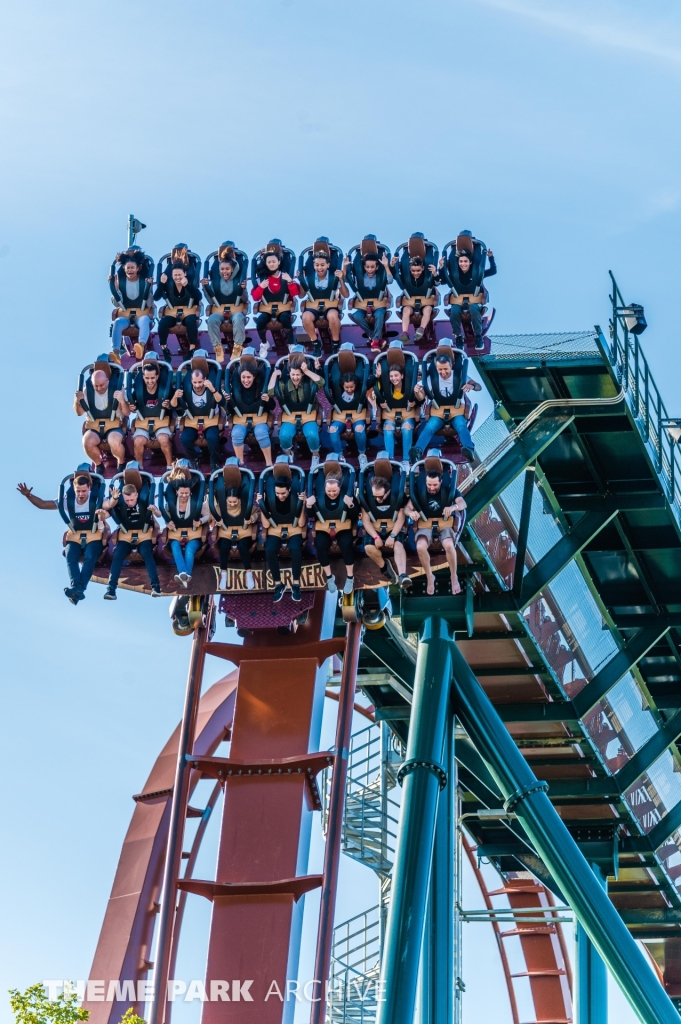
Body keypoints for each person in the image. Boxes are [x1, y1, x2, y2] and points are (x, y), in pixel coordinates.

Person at [17, 467, 108, 604]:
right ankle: (78, 589)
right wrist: (28, 495)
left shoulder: (97, 498)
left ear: (89, 488)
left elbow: (111, 505)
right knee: (70, 554)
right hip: (76, 535)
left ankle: (77, 589)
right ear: (74, 488)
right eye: (78, 491)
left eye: (84, 491)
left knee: (90, 557)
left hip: (94, 534)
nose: (81, 494)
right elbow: (43, 504)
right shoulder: (67, 500)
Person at [405, 458, 466, 595]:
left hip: (444, 523)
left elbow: (463, 503)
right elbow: (406, 508)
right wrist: (411, 513)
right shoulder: (420, 490)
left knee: (449, 545)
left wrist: (453, 507)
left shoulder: (448, 488)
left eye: (435, 485)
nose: (432, 488)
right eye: (429, 485)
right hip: (426, 523)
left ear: (440, 482)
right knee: (420, 546)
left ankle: (453, 575)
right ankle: (429, 576)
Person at [412, 349, 481, 462]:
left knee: (461, 425)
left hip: (457, 410)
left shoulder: (460, 376)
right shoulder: (431, 379)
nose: (443, 373)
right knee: (429, 427)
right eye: (440, 370)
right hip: (438, 411)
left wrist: (471, 386)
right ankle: (417, 451)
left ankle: (469, 449)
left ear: (451, 366)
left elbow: (478, 387)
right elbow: (421, 397)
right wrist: (417, 391)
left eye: (446, 369)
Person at [100, 474, 162, 599]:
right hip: (125, 534)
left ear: (136, 495)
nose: (129, 503)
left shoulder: (144, 500)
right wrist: (105, 509)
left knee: (146, 552)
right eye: (127, 500)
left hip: (144, 533)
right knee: (118, 554)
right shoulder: (119, 502)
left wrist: (154, 511)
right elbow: (106, 509)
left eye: (132, 500)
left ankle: (156, 587)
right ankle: (111, 589)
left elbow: (159, 514)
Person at [306, 463, 359, 594]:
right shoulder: (319, 498)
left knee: (346, 544)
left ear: (340, 488)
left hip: (343, 525)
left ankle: (350, 577)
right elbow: (311, 515)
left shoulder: (347, 496)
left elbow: (355, 515)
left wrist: (351, 504)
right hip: (324, 526)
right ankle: (329, 577)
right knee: (320, 545)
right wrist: (308, 506)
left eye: (334, 491)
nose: (331, 493)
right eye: (328, 491)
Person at [258, 461, 306, 603]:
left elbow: (302, 523)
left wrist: (301, 504)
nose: (280, 496)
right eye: (277, 493)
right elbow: (266, 524)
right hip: (275, 527)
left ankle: (296, 584)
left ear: (289, 490)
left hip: (294, 526)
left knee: (295, 548)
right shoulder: (271, 496)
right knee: (269, 549)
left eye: (283, 493)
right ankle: (279, 584)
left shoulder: (296, 494)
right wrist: (262, 505)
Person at [170, 354, 225, 472]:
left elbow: (222, 402)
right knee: (184, 439)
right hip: (192, 419)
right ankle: (195, 459)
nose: (197, 385)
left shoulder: (211, 386)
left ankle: (214, 461)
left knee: (212, 437)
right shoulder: (187, 388)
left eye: (200, 382)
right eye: (195, 382)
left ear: (204, 380)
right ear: (191, 381)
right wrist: (175, 397)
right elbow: (172, 406)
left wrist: (213, 390)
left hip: (210, 419)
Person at [441, 237, 496, 350]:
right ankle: (458, 336)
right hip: (458, 300)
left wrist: (490, 258)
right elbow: (442, 280)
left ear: (470, 262)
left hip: (474, 301)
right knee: (455, 311)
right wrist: (441, 267)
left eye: (465, 261)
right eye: (461, 261)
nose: (463, 264)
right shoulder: (454, 275)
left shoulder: (477, 273)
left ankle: (478, 336)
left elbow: (493, 271)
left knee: (473, 309)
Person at [268, 351, 322, 467]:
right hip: (290, 414)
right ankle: (289, 454)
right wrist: (274, 375)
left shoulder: (308, 380)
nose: (295, 377)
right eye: (292, 375)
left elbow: (321, 382)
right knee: (283, 435)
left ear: (302, 375)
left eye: (298, 375)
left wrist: (307, 371)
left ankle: (315, 455)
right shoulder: (285, 384)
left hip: (309, 414)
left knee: (312, 434)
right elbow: (271, 392)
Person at [360, 463, 409, 589]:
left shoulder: (397, 496)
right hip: (375, 528)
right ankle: (384, 567)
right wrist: (376, 537)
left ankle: (403, 575)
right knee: (368, 548)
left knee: (398, 545)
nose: (377, 499)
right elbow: (365, 520)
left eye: (380, 496)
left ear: (387, 492)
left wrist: (392, 536)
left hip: (393, 527)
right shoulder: (368, 498)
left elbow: (401, 517)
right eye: (375, 496)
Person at [210, 463, 257, 591]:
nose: (232, 504)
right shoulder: (221, 507)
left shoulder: (245, 506)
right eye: (229, 502)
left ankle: (248, 573)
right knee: (224, 547)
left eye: (234, 502)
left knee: (242, 547)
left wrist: (251, 519)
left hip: (243, 531)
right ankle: (223, 574)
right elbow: (213, 516)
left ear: (239, 500)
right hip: (226, 532)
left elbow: (256, 512)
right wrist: (216, 521)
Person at [74, 361, 129, 472]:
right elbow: (79, 412)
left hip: (114, 423)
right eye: (96, 386)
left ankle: (121, 462)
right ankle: (99, 464)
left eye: (101, 385)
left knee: (113, 440)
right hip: (94, 425)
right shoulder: (87, 390)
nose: (99, 388)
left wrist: (122, 400)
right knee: (86, 441)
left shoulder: (117, 387)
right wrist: (77, 400)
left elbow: (127, 412)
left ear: (107, 381)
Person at [224, 354, 275, 466]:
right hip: (241, 417)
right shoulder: (236, 388)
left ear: (254, 377)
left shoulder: (261, 386)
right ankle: (241, 464)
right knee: (236, 434)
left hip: (260, 417)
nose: (246, 380)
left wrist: (267, 400)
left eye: (248, 377)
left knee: (261, 432)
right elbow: (230, 411)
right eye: (243, 377)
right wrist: (228, 402)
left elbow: (272, 406)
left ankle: (269, 464)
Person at [251, 244, 300, 357]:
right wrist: (261, 287)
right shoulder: (263, 278)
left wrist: (290, 282)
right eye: (269, 262)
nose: (271, 264)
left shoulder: (284, 276)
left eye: (274, 261)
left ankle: (291, 343)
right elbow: (255, 297)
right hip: (267, 306)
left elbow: (294, 293)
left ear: (279, 262)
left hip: (283, 306)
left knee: (284, 319)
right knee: (260, 322)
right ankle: (264, 343)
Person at [299, 246, 348, 356]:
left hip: (330, 303)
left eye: (322, 265)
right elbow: (301, 295)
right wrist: (301, 280)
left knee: (332, 316)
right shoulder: (309, 277)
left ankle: (335, 343)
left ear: (328, 265)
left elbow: (346, 294)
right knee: (305, 317)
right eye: (317, 265)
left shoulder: (333, 276)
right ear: (313, 266)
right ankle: (315, 342)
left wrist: (341, 279)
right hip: (313, 304)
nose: (319, 268)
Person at [127, 357, 175, 469]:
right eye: (147, 378)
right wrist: (132, 407)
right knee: (138, 440)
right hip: (144, 422)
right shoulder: (139, 390)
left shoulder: (165, 389)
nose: (150, 381)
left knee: (163, 438)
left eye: (153, 378)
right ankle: (139, 468)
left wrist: (170, 405)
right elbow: (131, 407)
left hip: (162, 421)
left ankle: (169, 466)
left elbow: (176, 405)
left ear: (157, 376)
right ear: (143, 377)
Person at [374, 348, 418, 468]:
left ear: (402, 376)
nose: (394, 378)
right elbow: (377, 391)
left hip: (407, 413)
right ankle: (391, 459)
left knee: (406, 427)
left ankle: (406, 460)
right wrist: (378, 377)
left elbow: (419, 398)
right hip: (390, 413)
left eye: (396, 376)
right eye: (391, 376)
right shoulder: (387, 386)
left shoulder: (409, 385)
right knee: (387, 428)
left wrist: (414, 403)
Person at [202, 250, 248, 364]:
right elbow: (210, 300)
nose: (224, 272)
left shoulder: (238, 279)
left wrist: (243, 289)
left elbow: (245, 299)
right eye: (222, 269)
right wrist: (205, 288)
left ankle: (237, 347)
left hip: (236, 307)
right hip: (219, 308)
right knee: (212, 320)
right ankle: (218, 348)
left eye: (227, 269)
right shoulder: (216, 281)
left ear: (232, 269)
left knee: (237, 319)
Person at [109, 249, 155, 362]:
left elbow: (149, 303)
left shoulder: (143, 281)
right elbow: (117, 302)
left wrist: (149, 288)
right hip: (126, 314)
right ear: (124, 269)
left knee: (144, 320)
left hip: (142, 312)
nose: (130, 270)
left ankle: (141, 345)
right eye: (128, 268)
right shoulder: (122, 283)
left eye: (132, 268)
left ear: (138, 268)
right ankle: (116, 352)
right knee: (118, 322)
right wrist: (114, 288)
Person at [163, 479, 210, 586]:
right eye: (182, 493)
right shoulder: (171, 505)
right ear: (177, 493)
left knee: (189, 550)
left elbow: (208, 515)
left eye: (186, 493)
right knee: (175, 547)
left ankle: (184, 575)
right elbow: (166, 518)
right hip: (177, 535)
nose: (184, 495)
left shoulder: (197, 504)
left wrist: (200, 521)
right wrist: (168, 523)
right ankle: (185, 575)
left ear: (190, 493)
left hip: (194, 535)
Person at [347, 249, 393, 350]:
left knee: (379, 314)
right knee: (356, 316)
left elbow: (390, 280)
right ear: (364, 267)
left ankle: (375, 341)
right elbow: (347, 279)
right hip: (362, 304)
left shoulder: (380, 276)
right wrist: (346, 266)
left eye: (372, 267)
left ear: (377, 267)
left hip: (379, 303)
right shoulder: (360, 278)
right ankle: (375, 338)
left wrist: (385, 266)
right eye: (367, 267)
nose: (370, 270)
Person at [154, 265, 202, 361]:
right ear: (171, 276)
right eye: (175, 275)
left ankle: (192, 348)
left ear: (185, 274)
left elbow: (199, 296)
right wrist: (162, 284)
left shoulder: (190, 282)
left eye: (179, 274)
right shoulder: (168, 284)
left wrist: (187, 286)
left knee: (190, 322)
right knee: (163, 323)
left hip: (189, 311)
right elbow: (156, 297)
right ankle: (164, 348)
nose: (177, 277)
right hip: (172, 311)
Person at [391, 254, 439, 344]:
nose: (416, 273)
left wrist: (435, 274)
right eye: (413, 271)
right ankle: (405, 333)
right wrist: (393, 266)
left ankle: (421, 329)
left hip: (426, 303)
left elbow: (437, 283)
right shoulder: (406, 278)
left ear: (423, 268)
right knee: (406, 310)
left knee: (427, 309)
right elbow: (395, 276)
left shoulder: (428, 277)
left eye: (418, 270)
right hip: (410, 303)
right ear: (410, 269)